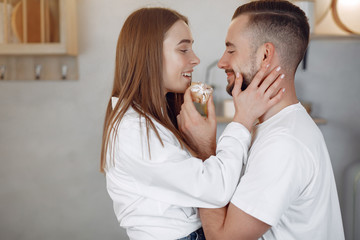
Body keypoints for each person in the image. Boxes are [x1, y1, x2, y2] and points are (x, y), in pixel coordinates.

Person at [100, 7, 285, 240]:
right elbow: (215, 191)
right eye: (184, 49)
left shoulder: (156, 118)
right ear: (150, 55)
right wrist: (242, 120)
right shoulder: (132, 131)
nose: (195, 59)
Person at [179, 1, 345, 239]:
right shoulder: (273, 128)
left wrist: (203, 150)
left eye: (231, 50)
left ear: (266, 54)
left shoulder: (283, 144)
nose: (222, 62)